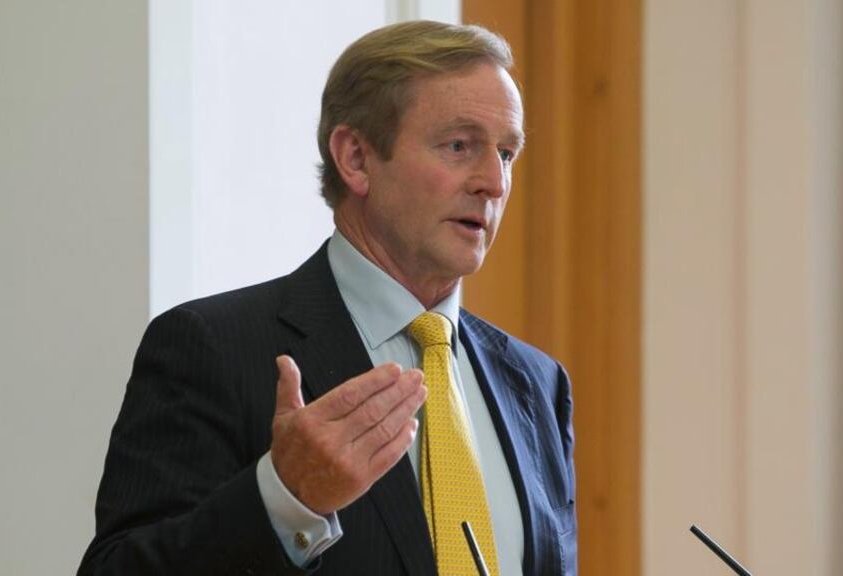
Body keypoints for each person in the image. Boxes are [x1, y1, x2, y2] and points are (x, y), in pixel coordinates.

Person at [78, 20, 576, 576]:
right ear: (356, 157)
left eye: (506, 153)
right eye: (459, 146)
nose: (494, 183)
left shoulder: (536, 382)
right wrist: (285, 499)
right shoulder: (213, 348)